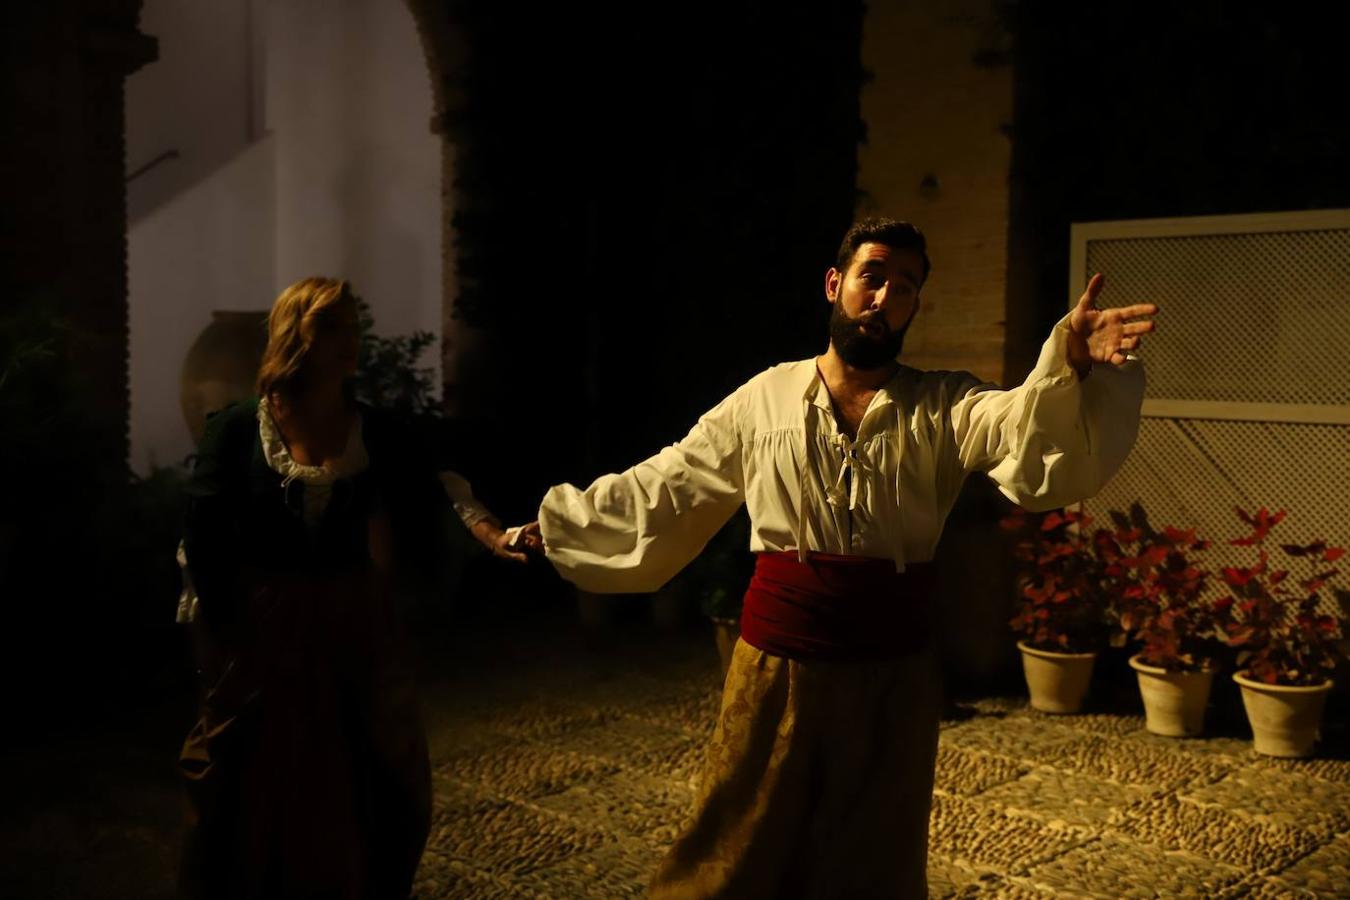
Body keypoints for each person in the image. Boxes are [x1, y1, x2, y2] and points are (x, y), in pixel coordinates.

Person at [517, 218, 1155, 897]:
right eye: (871, 276)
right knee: (736, 846)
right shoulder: (765, 397)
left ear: (915, 306)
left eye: (903, 287)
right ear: (836, 284)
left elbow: (1022, 427)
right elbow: (670, 485)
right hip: (775, 666)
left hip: (893, 674)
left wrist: (1068, 363)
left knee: (871, 858)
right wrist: (556, 525)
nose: (882, 296)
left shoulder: (943, 403)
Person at [176, 276, 521, 899]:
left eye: (351, 326)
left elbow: (435, 487)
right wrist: (225, 633)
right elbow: (203, 538)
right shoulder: (235, 430)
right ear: (294, 334)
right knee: (250, 787)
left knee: (371, 775)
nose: (348, 341)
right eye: (330, 326)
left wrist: (493, 534)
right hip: (265, 629)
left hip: (350, 622)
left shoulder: (375, 431)